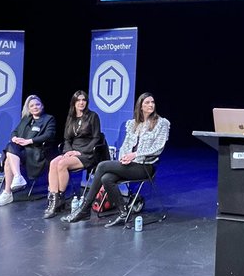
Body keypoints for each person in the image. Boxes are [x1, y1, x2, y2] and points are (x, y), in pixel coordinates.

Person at [66, 92, 169, 227]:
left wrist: (135, 155)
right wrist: (124, 158)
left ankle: (84, 208)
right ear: (140, 106)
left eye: (152, 102)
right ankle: (123, 212)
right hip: (130, 164)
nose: (151, 105)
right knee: (106, 178)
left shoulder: (161, 123)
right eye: (147, 102)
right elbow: (125, 145)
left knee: (102, 166)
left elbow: (158, 148)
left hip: (145, 166)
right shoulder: (133, 124)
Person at [43, 90, 104, 218]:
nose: (81, 103)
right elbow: (67, 139)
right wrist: (69, 151)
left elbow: (96, 138)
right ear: (74, 103)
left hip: (87, 154)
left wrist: (80, 152)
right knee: (54, 162)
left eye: (84, 100)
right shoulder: (71, 117)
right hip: (71, 151)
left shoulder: (93, 116)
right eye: (78, 100)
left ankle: (59, 199)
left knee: (62, 164)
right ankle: (55, 199)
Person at [0, 94, 57, 207]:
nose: (35, 107)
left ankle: (8, 191)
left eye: (37, 104)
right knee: (11, 146)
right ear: (29, 109)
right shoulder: (26, 120)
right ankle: (13, 184)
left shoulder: (48, 119)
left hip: (37, 152)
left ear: (42, 106)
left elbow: (49, 135)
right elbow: (15, 132)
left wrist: (30, 141)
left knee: (9, 156)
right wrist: (15, 138)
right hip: (22, 151)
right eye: (32, 106)